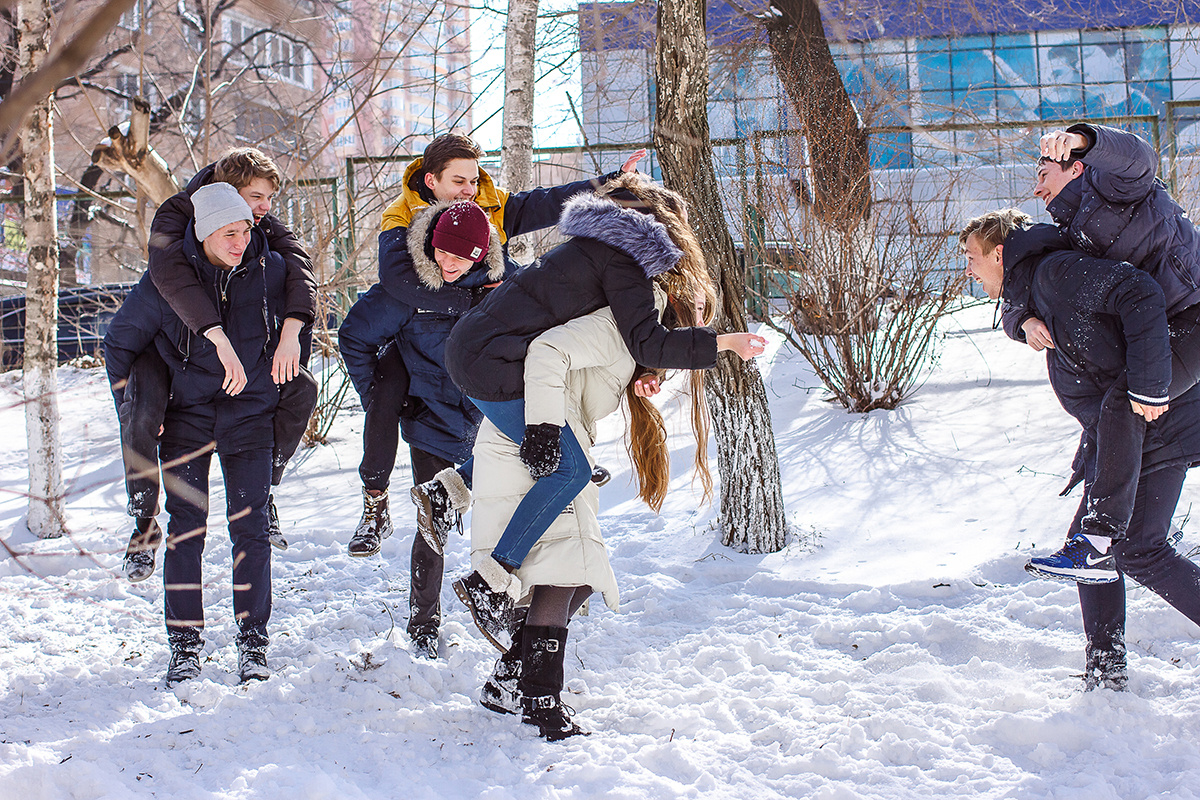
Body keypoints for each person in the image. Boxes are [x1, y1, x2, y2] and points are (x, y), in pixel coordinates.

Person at [337, 133, 643, 660]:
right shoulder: (406, 253)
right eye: (458, 180)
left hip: (490, 412)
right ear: (431, 183)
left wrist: (609, 183)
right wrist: (387, 400)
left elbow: (546, 208)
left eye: (474, 180)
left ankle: (517, 611)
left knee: (514, 506)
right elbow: (364, 326)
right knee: (434, 523)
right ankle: (423, 621)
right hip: (433, 413)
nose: (470, 189)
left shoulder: (500, 259)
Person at [444, 173, 766, 650]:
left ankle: (452, 496)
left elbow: (623, 338)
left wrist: (641, 371)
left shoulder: (595, 247)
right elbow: (645, 338)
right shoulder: (626, 260)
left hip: (479, 352)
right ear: (659, 230)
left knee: (553, 464)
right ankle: (488, 580)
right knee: (569, 471)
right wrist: (724, 343)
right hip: (494, 364)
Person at [961, 208, 1200, 689]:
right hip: (1129, 434)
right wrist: (1022, 319)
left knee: (1131, 549)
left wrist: (1147, 387)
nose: (967, 268)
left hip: (1157, 421)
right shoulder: (1036, 284)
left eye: (971, 257)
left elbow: (1138, 291)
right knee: (1106, 550)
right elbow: (1022, 301)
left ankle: (1106, 668)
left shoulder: (1054, 273)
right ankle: (1106, 668)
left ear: (999, 254)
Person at [105, 184, 307, 684]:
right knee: (186, 529)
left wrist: (290, 346)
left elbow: (303, 304)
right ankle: (185, 647)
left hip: (250, 417)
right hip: (187, 419)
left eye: (245, 230)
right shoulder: (166, 284)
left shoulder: (270, 271)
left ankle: (253, 644)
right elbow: (119, 344)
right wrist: (136, 411)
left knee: (251, 530)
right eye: (227, 233)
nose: (240, 242)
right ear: (202, 233)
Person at [1008, 125, 1200, 581]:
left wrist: (1085, 140)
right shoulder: (1071, 232)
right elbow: (1025, 268)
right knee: (1123, 405)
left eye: (1043, 174)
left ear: (1076, 169)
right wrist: (1022, 318)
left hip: (1194, 312)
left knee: (1126, 401)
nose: (1037, 189)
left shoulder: (1115, 188)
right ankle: (1097, 554)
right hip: (1165, 330)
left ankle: (1097, 541)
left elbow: (1139, 158)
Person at [119, 147, 318, 583]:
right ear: (225, 192)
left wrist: (290, 333)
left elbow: (299, 266)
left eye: (269, 198)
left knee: (301, 385)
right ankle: (143, 522)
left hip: (230, 377)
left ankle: (265, 489)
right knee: (141, 414)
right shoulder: (178, 214)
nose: (265, 208)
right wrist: (130, 405)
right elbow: (168, 277)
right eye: (256, 197)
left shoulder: (255, 227)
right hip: (167, 349)